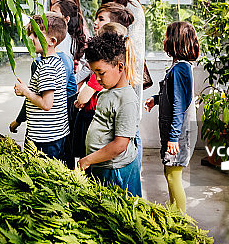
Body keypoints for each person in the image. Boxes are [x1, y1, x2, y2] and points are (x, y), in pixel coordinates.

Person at [77, 32, 142, 197]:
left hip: (115, 171)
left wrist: (88, 160)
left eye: (101, 72)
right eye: (94, 73)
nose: (97, 79)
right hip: (100, 165)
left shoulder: (126, 100)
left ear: (120, 67)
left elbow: (120, 145)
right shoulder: (106, 91)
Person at [144, 21, 199, 213]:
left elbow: (179, 105)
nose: (164, 39)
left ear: (176, 41)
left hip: (180, 132)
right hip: (176, 131)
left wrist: (174, 137)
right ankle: (174, 214)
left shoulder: (181, 69)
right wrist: (156, 99)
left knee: (174, 176)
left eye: (167, 35)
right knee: (170, 173)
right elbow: (175, 96)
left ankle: (180, 220)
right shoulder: (178, 67)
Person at [9, 13, 70, 161]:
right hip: (55, 134)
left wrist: (26, 92)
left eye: (35, 35)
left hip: (44, 138)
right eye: (30, 33)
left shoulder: (47, 67)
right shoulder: (56, 61)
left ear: (52, 41)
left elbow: (46, 104)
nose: (30, 38)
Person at [100, 0, 146, 107]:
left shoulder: (133, 9)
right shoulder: (108, 6)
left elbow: (134, 53)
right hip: (108, 81)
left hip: (125, 83)